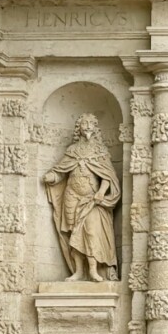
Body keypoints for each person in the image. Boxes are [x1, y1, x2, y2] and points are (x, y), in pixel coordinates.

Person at [44, 113, 121, 282]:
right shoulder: (72, 150)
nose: (87, 126)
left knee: (91, 233)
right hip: (71, 197)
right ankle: (78, 271)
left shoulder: (100, 150)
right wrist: (53, 177)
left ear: (95, 129)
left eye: (90, 124)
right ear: (79, 128)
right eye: (84, 123)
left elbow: (107, 176)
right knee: (74, 235)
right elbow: (61, 171)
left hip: (91, 199)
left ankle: (93, 270)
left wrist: (101, 192)